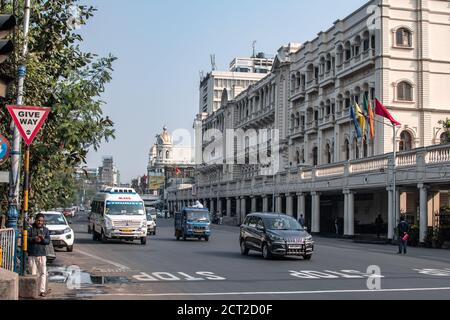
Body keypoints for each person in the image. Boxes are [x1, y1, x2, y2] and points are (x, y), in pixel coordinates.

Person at [28, 213, 51, 297]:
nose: (40, 222)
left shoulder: (46, 230)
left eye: (41, 221)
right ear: (35, 220)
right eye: (38, 220)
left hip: (42, 254)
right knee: (33, 273)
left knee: (43, 273)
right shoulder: (30, 229)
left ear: (43, 221)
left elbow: (48, 241)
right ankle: (33, 291)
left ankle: (42, 291)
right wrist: (34, 239)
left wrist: (42, 239)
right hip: (32, 254)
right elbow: (26, 238)